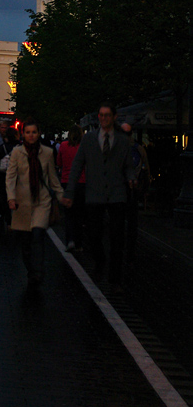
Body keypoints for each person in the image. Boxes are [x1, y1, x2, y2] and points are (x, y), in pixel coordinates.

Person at [65, 102, 135, 289]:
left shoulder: (122, 140)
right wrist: (70, 191)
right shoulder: (88, 140)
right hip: (94, 193)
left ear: (114, 117)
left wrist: (131, 178)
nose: (103, 118)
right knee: (94, 234)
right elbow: (77, 165)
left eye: (107, 115)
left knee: (117, 236)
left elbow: (128, 165)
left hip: (116, 193)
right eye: (101, 115)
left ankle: (114, 274)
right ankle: (100, 260)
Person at [6, 118, 67, 287]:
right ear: (23, 134)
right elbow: (10, 176)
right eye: (28, 132)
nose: (31, 135)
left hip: (42, 200)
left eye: (34, 132)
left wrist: (62, 196)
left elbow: (53, 179)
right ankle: (31, 270)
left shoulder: (47, 152)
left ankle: (38, 272)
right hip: (21, 202)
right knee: (25, 242)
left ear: (38, 133)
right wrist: (11, 197)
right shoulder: (17, 152)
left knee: (38, 236)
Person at [121, 122, 150, 263]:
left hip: (119, 190)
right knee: (132, 221)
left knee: (119, 220)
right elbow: (146, 169)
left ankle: (121, 246)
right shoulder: (139, 149)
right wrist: (146, 188)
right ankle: (130, 248)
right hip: (134, 189)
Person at [56, 125, 84, 253]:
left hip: (66, 181)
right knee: (79, 214)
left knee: (68, 214)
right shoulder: (84, 147)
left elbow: (59, 163)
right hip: (82, 182)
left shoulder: (63, 145)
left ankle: (69, 240)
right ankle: (78, 242)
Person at [0, 119, 17, 235]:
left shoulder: (1, 148)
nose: (3, 129)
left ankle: (7, 217)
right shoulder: (19, 147)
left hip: (3, 173)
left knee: (4, 195)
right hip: (13, 174)